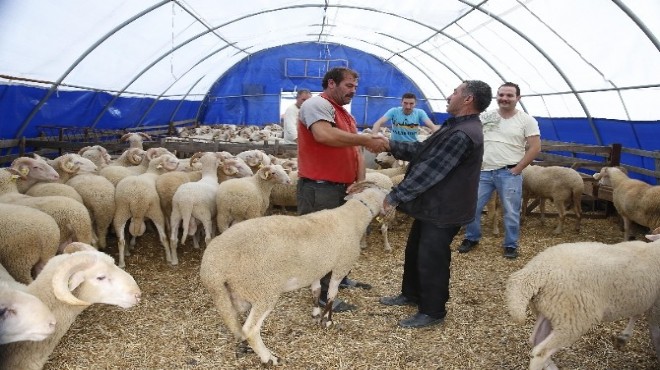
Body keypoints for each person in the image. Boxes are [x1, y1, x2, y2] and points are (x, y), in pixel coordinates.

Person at [376, 80, 493, 329]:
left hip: (445, 208)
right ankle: (411, 293)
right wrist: (389, 145)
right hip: (433, 205)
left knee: (433, 258)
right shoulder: (454, 126)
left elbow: (430, 170)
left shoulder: (463, 133)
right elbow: (422, 150)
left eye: (455, 92)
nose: (450, 95)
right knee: (415, 249)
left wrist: (394, 196)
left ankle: (432, 310)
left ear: (468, 99)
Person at [297, 66, 388, 312]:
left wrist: (359, 183)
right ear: (331, 84)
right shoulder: (316, 105)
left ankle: (340, 279)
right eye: (348, 86)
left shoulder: (345, 115)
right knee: (324, 241)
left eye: (355, 87)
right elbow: (324, 136)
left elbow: (355, 152)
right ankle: (323, 296)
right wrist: (366, 138)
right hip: (320, 188)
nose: (353, 91)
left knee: (344, 239)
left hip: (342, 188)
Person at [458, 82, 541, 259]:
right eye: (501, 94)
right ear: (497, 96)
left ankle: (510, 244)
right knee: (472, 207)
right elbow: (473, 137)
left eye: (509, 95)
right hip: (483, 172)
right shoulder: (485, 117)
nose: (504, 98)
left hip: (509, 172)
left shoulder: (527, 121)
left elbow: (535, 147)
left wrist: (518, 169)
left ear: (518, 98)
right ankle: (471, 238)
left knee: (511, 211)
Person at [371, 92, 438, 142]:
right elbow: (378, 123)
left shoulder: (420, 112)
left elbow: (432, 126)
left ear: (415, 103)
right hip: (395, 144)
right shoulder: (394, 111)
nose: (408, 106)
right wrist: (374, 135)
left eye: (411, 103)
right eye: (405, 103)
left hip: (412, 144)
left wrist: (439, 138)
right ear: (401, 102)